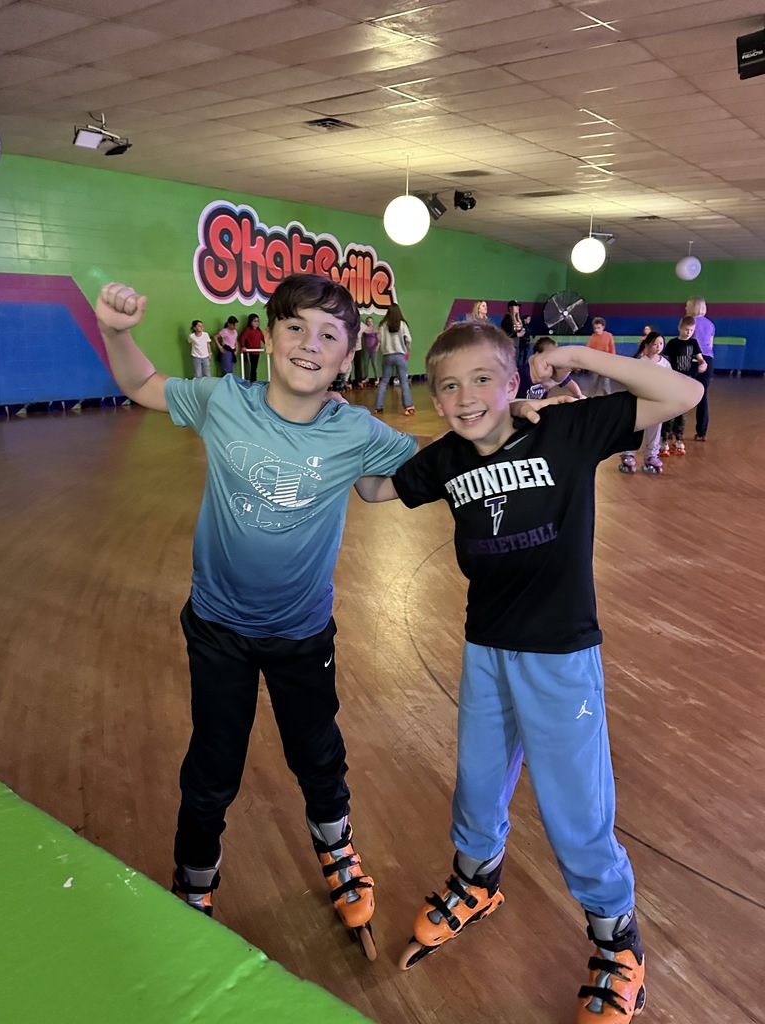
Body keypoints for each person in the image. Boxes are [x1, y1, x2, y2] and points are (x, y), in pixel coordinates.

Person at [355, 320, 702, 1022]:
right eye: (449, 386)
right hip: (486, 647)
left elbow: (683, 392)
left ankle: (618, 942)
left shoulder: (564, 429)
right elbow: (374, 491)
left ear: (514, 380)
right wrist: (342, 425)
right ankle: (477, 881)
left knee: (576, 809)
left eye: (483, 379)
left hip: (560, 653)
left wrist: (571, 357)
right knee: (479, 782)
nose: (466, 396)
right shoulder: (447, 457)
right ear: (435, 398)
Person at [94, 274, 424, 960]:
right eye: (295, 326)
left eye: (329, 335)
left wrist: (500, 426)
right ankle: (194, 876)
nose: (310, 343)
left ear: (348, 356)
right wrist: (115, 332)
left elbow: (393, 480)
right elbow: (142, 383)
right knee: (213, 763)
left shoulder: (354, 429)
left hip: (302, 633)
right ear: (268, 338)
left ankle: (336, 847)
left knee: (317, 751)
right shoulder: (223, 401)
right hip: (219, 629)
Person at [619, 332, 670, 474]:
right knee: (636, 427)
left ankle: (651, 455)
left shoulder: (665, 364)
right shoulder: (641, 362)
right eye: (655, 344)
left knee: (655, 429)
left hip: (657, 402)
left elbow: (670, 381)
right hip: (641, 401)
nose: (658, 347)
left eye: (661, 344)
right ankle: (628, 453)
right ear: (647, 345)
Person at [662, 316, 707, 455]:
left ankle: (678, 438)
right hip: (673, 380)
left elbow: (700, 358)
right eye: (686, 329)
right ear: (680, 328)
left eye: (691, 330)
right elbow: (665, 360)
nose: (689, 332)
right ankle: (664, 439)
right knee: (671, 410)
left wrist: (703, 363)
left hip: (686, 380)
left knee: (682, 411)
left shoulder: (693, 343)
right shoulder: (672, 343)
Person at [375, 303, 414, 416]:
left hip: (387, 356)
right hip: (400, 355)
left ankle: (378, 407)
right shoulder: (402, 324)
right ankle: (408, 406)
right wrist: (407, 350)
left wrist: (384, 348)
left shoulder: (383, 325)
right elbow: (409, 339)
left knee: (384, 382)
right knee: (404, 382)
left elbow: (379, 339)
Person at [517, 337, 585, 401]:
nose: (552, 359)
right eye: (548, 356)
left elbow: (569, 382)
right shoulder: (522, 373)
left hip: (538, 404)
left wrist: (579, 395)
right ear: (537, 355)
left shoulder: (552, 370)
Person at [685, 297, 715, 441]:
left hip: (693, 359)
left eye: (687, 306)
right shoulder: (710, 324)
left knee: (681, 395)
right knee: (703, 397)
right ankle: (701, 432)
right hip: (708, 360)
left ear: (692, 307)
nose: (685, 308)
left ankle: (675, 430)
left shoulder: (689, 322)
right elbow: (710, 346)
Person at [586, 317, 616, 396]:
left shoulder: (608, 336)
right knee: (593, 383)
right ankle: (590, 399)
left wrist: (612, 361)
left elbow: (612, 349)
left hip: (605, 364)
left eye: (598, 328)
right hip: (594, 364)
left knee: (605, 384)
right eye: (595, 328)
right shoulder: (592, 338)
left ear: (603, 327)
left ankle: (608, 399)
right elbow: (588, 351)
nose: (596, 330)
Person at [239, 313, 265, 382]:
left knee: (255, 368)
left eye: (257, 321)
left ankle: (254, 381)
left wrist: (269, 346)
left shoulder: (259, 331)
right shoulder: (248, 330)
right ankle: (252, 382)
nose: (257, 323)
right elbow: (242, 338)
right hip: (250, 352)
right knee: (252, 368)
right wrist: (243, 346)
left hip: (257, 352)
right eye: (255, 321)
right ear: (250, 322)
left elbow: (264, 339)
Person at [500, 300, 528, 364]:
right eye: (515, 306)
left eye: (518, 306)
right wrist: (517, 334)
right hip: (509, 346)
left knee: (516, 363)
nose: (518, 307)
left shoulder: (518, 320)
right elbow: (505, 334)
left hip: (517, 345)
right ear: (511, 308)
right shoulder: (507, 319)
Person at [360, 315, 380, 386]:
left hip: (373, 348)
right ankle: (366, 377)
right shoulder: (365, 330)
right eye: (368, 321)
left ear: (373, 322)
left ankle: (377, 378)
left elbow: (379, 339)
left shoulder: (375, 329)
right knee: (366, 363)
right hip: (366, 349)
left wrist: (377, 346)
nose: (369, 323)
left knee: (374, 363)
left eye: (371, 321)